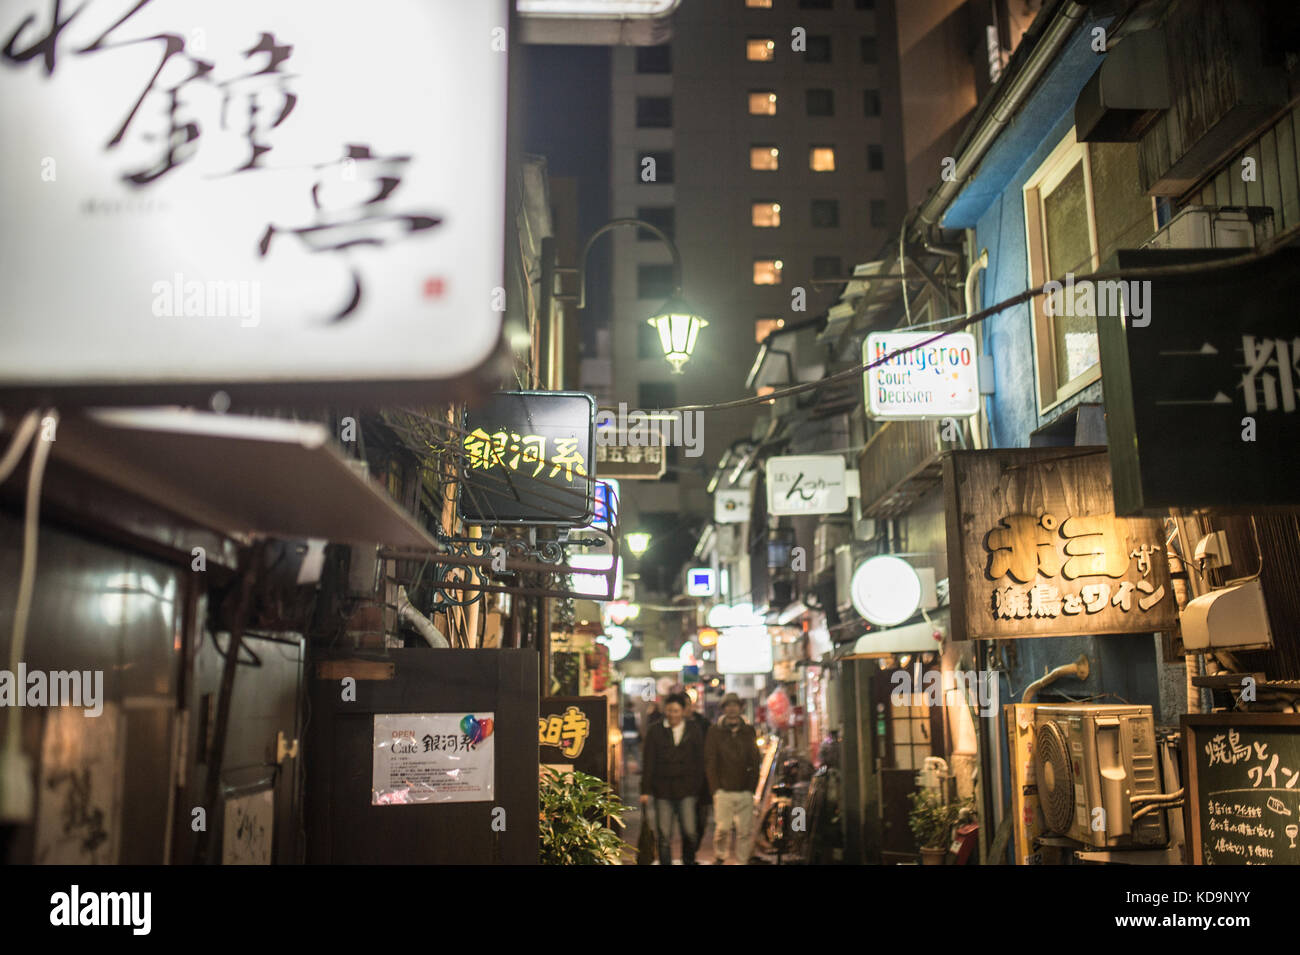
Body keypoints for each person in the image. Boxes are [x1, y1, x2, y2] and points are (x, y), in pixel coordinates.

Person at [640, 692, 706, 864]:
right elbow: (648, 761)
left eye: (676, 711)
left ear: (683, 711)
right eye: (669, 710)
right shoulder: (655, 730)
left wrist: (697, 785)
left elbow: (700, 760)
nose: (672, 715)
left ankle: (688, 860)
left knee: (690, 832)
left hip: (687, 789)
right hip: (663, 790)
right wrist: (645, 790)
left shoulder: (693, 729)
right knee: (663, 835)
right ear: (665, 711)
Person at [705, 692, 760, 864]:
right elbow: (710, 760)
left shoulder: (748, 730)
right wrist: (715, 788)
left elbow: (755, 759)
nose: (732, 709)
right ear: (723, 709)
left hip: (745, 789)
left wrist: (752, 786)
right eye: (728, 705)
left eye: (735, 705)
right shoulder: (715, 731)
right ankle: (721, 856)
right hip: (723, 789)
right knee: (722, 828)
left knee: (744, 830)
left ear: (740, 707)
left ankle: (742, 860)